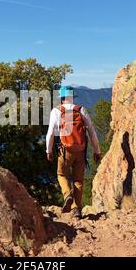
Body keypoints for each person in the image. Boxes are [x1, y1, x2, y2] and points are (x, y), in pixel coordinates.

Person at [46, 86, 102, 218]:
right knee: (78, 180)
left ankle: (67, 195)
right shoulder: (81, 110)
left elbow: (50, 134)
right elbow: (92, 132)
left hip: (65, 150)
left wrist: (48, 151)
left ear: (62, 98)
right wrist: (97, 151)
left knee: (61, 174)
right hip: (81, 151)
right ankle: (77, 209)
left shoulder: (56, 111)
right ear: (72, 97)